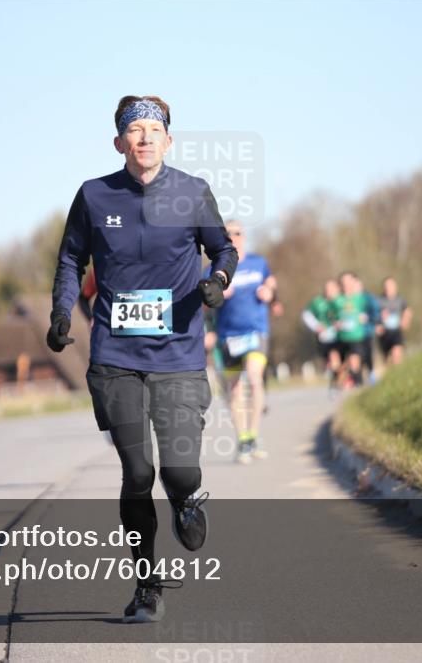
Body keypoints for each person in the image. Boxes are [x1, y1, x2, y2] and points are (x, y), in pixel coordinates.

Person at [48, 95, 238, 623]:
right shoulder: (93, 195)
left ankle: (184, 500)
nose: (146, 137)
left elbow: (223, 249)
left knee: (180, 472)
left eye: (155, 129)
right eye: (136, 130)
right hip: (115, 356)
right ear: (120, 143)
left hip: (178, 354)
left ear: (169, 141)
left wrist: (219, 280)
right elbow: (71, 258)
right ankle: (146, 585)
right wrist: (62, 311)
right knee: (137, 471)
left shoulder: (192, 192)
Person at [208, 220, 276, 464]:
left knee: (255, 378)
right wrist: (217, 295)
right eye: (228, 234)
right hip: (228, 336)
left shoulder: (258, 262)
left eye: (237, 233)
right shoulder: (215, 267)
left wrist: (269, 292)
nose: (233, 237)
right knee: (234, 389)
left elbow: (270, 283)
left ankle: (254, 435)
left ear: (244, 236)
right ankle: (244, 439)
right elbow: (205, 299)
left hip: (256, 332)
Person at [302, 279, 341, 391]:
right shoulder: (317, 302)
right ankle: (336, 380)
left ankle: (341, 380)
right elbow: (306, 315)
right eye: (327, 289)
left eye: (331, 289)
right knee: (332, 359)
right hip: (325, 337)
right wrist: (316, 326)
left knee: (336, 357)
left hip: (341, 336)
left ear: (338, 289)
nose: (329, 291)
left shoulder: (342, 300)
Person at [335, 271, 370, 387]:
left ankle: (357, 382)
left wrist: (365, 317)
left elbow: (370, 311)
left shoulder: (360, 298)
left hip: (357, 336)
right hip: (341, 337)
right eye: (343, 281)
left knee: (355, 360)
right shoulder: (337, 300)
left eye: (348, 281)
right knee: (344, 364)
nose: (346, 284)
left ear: (353, 282)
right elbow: (329, 315)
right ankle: (351, 381)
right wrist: (334, 322)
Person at [374, 276, 411, 366]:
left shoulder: (400, 299)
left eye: (390, 286)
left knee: (396, 352)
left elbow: (407, 311)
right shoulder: (379, 300)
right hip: (384, 332)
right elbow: (373, 315)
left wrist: (405, 320)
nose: (388, 288)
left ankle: (398, 370)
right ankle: (389, 370)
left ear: (395, 287)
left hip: (396, 331)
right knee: (386, 358)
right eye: (386, 286)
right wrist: (378, 321)